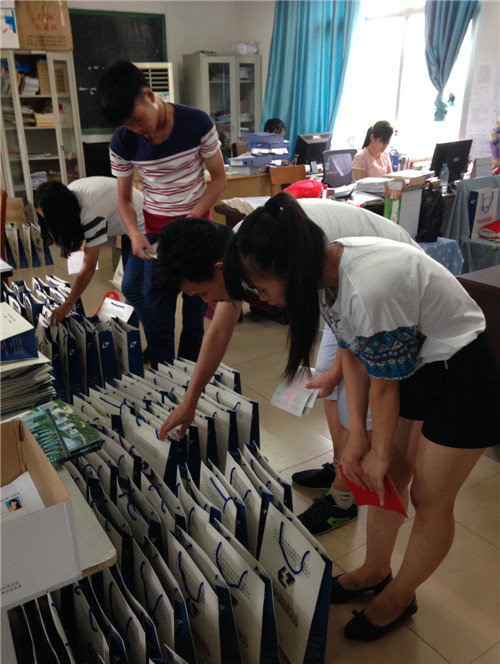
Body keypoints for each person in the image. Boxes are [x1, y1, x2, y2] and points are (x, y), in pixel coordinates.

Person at [222, 193, 500, 641]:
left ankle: (400, 596)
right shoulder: (323, 274)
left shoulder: (369, 286)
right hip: (416, 365)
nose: (262, 298)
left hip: (462, 373)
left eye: (260, 287)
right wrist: (357, 440)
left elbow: (384, 385)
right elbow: (352, 353)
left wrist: (376, 449)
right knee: (387, 478)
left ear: (286, 267)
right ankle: (375, 569)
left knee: (429, 497)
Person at [156, 195, 419, 536]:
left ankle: (343, 497)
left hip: (385, 286)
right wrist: (190, 401)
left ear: (219, 269)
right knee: (328, 380)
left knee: (360, 405)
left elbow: (357, 329)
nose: (207, 302)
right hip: (344, 286)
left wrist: (344, 376)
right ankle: (342, 463)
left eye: (202, 294)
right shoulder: (242, 252)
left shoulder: (269, 252)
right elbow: (219, 331)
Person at [97, 61, 227, 368]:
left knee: (194, 317)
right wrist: (134, 233)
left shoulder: (196, 122)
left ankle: (190, 377)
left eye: (137, 119)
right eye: (127, 124)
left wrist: (191, 218)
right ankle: (164, 378)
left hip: (197, 232)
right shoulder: (123, 141)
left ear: (149, 95)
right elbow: (124, 200)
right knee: (158, 316)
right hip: (156, 236)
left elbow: (219, 179)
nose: (136, 129)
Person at [34, 177, 146, 326]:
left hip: (143, 223)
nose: (50, 224)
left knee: (131, 287)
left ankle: (135, 333)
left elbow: (89, 268)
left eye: (51, 218)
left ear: (60, 212)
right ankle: (130, 330)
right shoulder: (69, 195)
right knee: (133, 284)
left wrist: (68, 304)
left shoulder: (90, 213)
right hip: (128, 219)